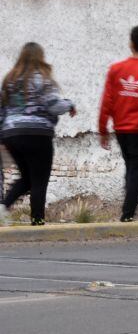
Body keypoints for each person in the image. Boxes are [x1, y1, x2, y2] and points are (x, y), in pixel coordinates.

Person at [0, 43, 76, 225]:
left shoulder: (9, 81)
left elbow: (1, 110)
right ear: (40, 57)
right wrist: (70, 104)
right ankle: (37, 220)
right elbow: (54, 106)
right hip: (38, 134)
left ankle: (3, 206)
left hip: (12, 134)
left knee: (26, 178)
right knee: (39, 179)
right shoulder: (43, 79)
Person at [98, 25, 138, 222]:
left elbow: (107, 101)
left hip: (121, 131)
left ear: (131, 43)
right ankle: (128, 213)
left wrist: (102, 129)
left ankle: (128, 207)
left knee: (130, 168)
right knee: (137, 172)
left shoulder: (116, 70)